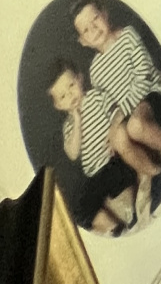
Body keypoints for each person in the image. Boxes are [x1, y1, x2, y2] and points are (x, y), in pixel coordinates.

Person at [71, 0, 161, 178]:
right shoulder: (95, 70)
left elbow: (144, 77)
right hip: (129, 114)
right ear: (83, 41)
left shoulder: (127, 36)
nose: (94, 29)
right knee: (119, 139)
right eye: (86, 30)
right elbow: (108, 102)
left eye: (95, 18)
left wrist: (120, 115)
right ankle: (156, 173)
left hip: (154, 97)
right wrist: (115, 124)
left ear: (104, 13)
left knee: (135, 125)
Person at [48, 60, 135, 233]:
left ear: (80, 79)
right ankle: (113, 226)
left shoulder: (96, 97)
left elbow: (118, 112)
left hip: (112, 159)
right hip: (94, 175)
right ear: (58, 105)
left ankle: (131, 215)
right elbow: (73, 154)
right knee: (80, 208)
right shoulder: (68, 126)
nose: (70, 95)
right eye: (63, 96)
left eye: (71, 85)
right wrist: (77, 121)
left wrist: (113, 130)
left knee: (122, 177)